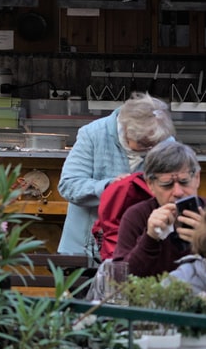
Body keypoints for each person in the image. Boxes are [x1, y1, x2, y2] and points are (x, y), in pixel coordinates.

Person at [57, 93, 174, 256]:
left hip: (141, 248)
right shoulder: (93, 134)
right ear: (126, 130)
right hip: (86, 248)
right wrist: (110, 187)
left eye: (154, 144)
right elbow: (69, 186)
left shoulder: (165, 142)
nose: (151, 149)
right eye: (144, 144)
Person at [112, 140, 205, 277]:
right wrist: (150, 238)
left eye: (184, 181)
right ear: (150, 185)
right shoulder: (137, 216)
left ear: (196, 178)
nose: (178, 192)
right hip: (149, 297)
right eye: (167, 184)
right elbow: (120, 278)